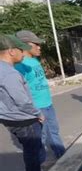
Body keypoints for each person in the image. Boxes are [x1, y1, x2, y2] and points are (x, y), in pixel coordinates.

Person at [0, 34, 45, 171]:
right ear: (11, 51)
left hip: (9, 118)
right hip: (24, 119)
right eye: (21, 50)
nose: (23, 53)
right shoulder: (10, 74)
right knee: (32, 150)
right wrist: (38, 113)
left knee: (29, 149)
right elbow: (22, 101)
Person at [15, 30, 66, 162]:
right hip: (36, 108)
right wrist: (34, 111)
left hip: (48, 104)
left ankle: (62, 157)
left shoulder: (34, 61)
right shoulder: (20, 65)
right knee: (40, 139)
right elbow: (19, 92)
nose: (39, 47)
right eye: (36, 44)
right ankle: (39, 169)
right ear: (25, 45)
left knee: (54, 131)